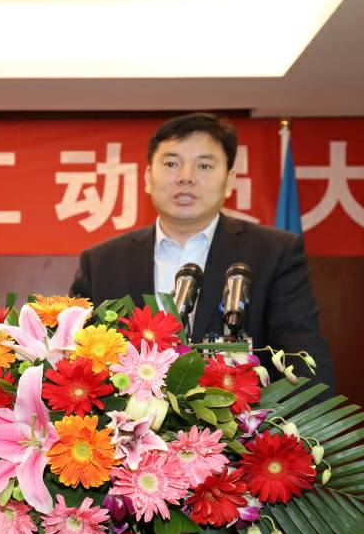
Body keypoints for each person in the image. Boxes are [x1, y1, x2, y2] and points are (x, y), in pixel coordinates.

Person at [69, 112, 334, 389]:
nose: (186, 177)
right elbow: (73, 361)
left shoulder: (273, 253)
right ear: (148, 177)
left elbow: (305, 362)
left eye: (204, 166)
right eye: (171, 163)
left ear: (229, 180)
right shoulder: (102, 263)